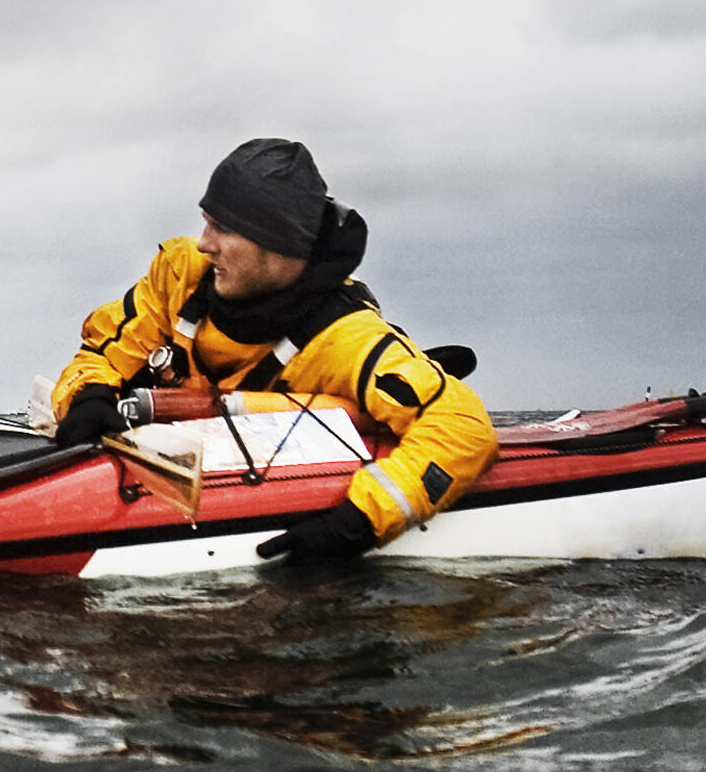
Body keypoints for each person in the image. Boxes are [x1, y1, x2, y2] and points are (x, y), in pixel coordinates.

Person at [46, 136, 492, 566]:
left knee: (400, 390)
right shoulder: (180, 272)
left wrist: (359, 522)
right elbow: (102, 352)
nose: (204, 243)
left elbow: (463, 427)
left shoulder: (346, 338)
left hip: (336, 391)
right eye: (206, 221)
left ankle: (408, 376)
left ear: (278, 245)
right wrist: (88, 396)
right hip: (190, 430)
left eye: (221, 228)